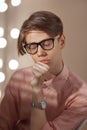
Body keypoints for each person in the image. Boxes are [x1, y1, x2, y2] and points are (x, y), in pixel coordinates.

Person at [0, 10, 87, 130]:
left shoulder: (81, 95)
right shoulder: (19, 78)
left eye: (46, 43)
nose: (40, 53)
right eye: (33, 46)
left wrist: (37, 91)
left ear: (61, 41)